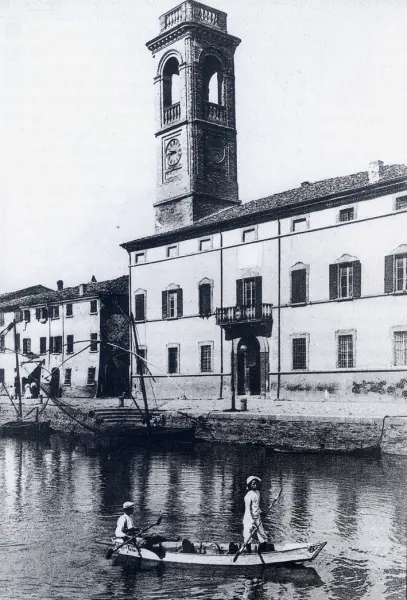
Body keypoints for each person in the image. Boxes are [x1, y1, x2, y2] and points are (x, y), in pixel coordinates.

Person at [243, 476, 268, 546]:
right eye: (253, 484)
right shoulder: (248, 495)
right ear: (249, 485)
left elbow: (256, 506)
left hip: (257, 517)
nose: (255, 485)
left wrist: (261, 512)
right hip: (249, 519)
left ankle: (264, 551)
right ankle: (248, 552)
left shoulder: (257, 493)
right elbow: (248, 509)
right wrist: (252, 521)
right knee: (248, 537)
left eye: (256, 483)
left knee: (262, 535)